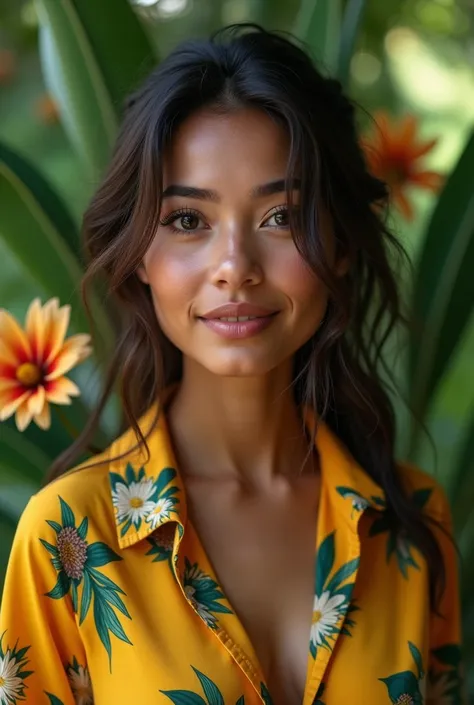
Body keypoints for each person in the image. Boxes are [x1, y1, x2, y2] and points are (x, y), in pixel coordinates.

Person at [0, 23, 464, 705]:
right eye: (188, 220)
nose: (235, 269)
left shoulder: (412, 522)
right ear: (139, 257)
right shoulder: (69, 536)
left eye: (281, 216)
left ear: (338, 244)